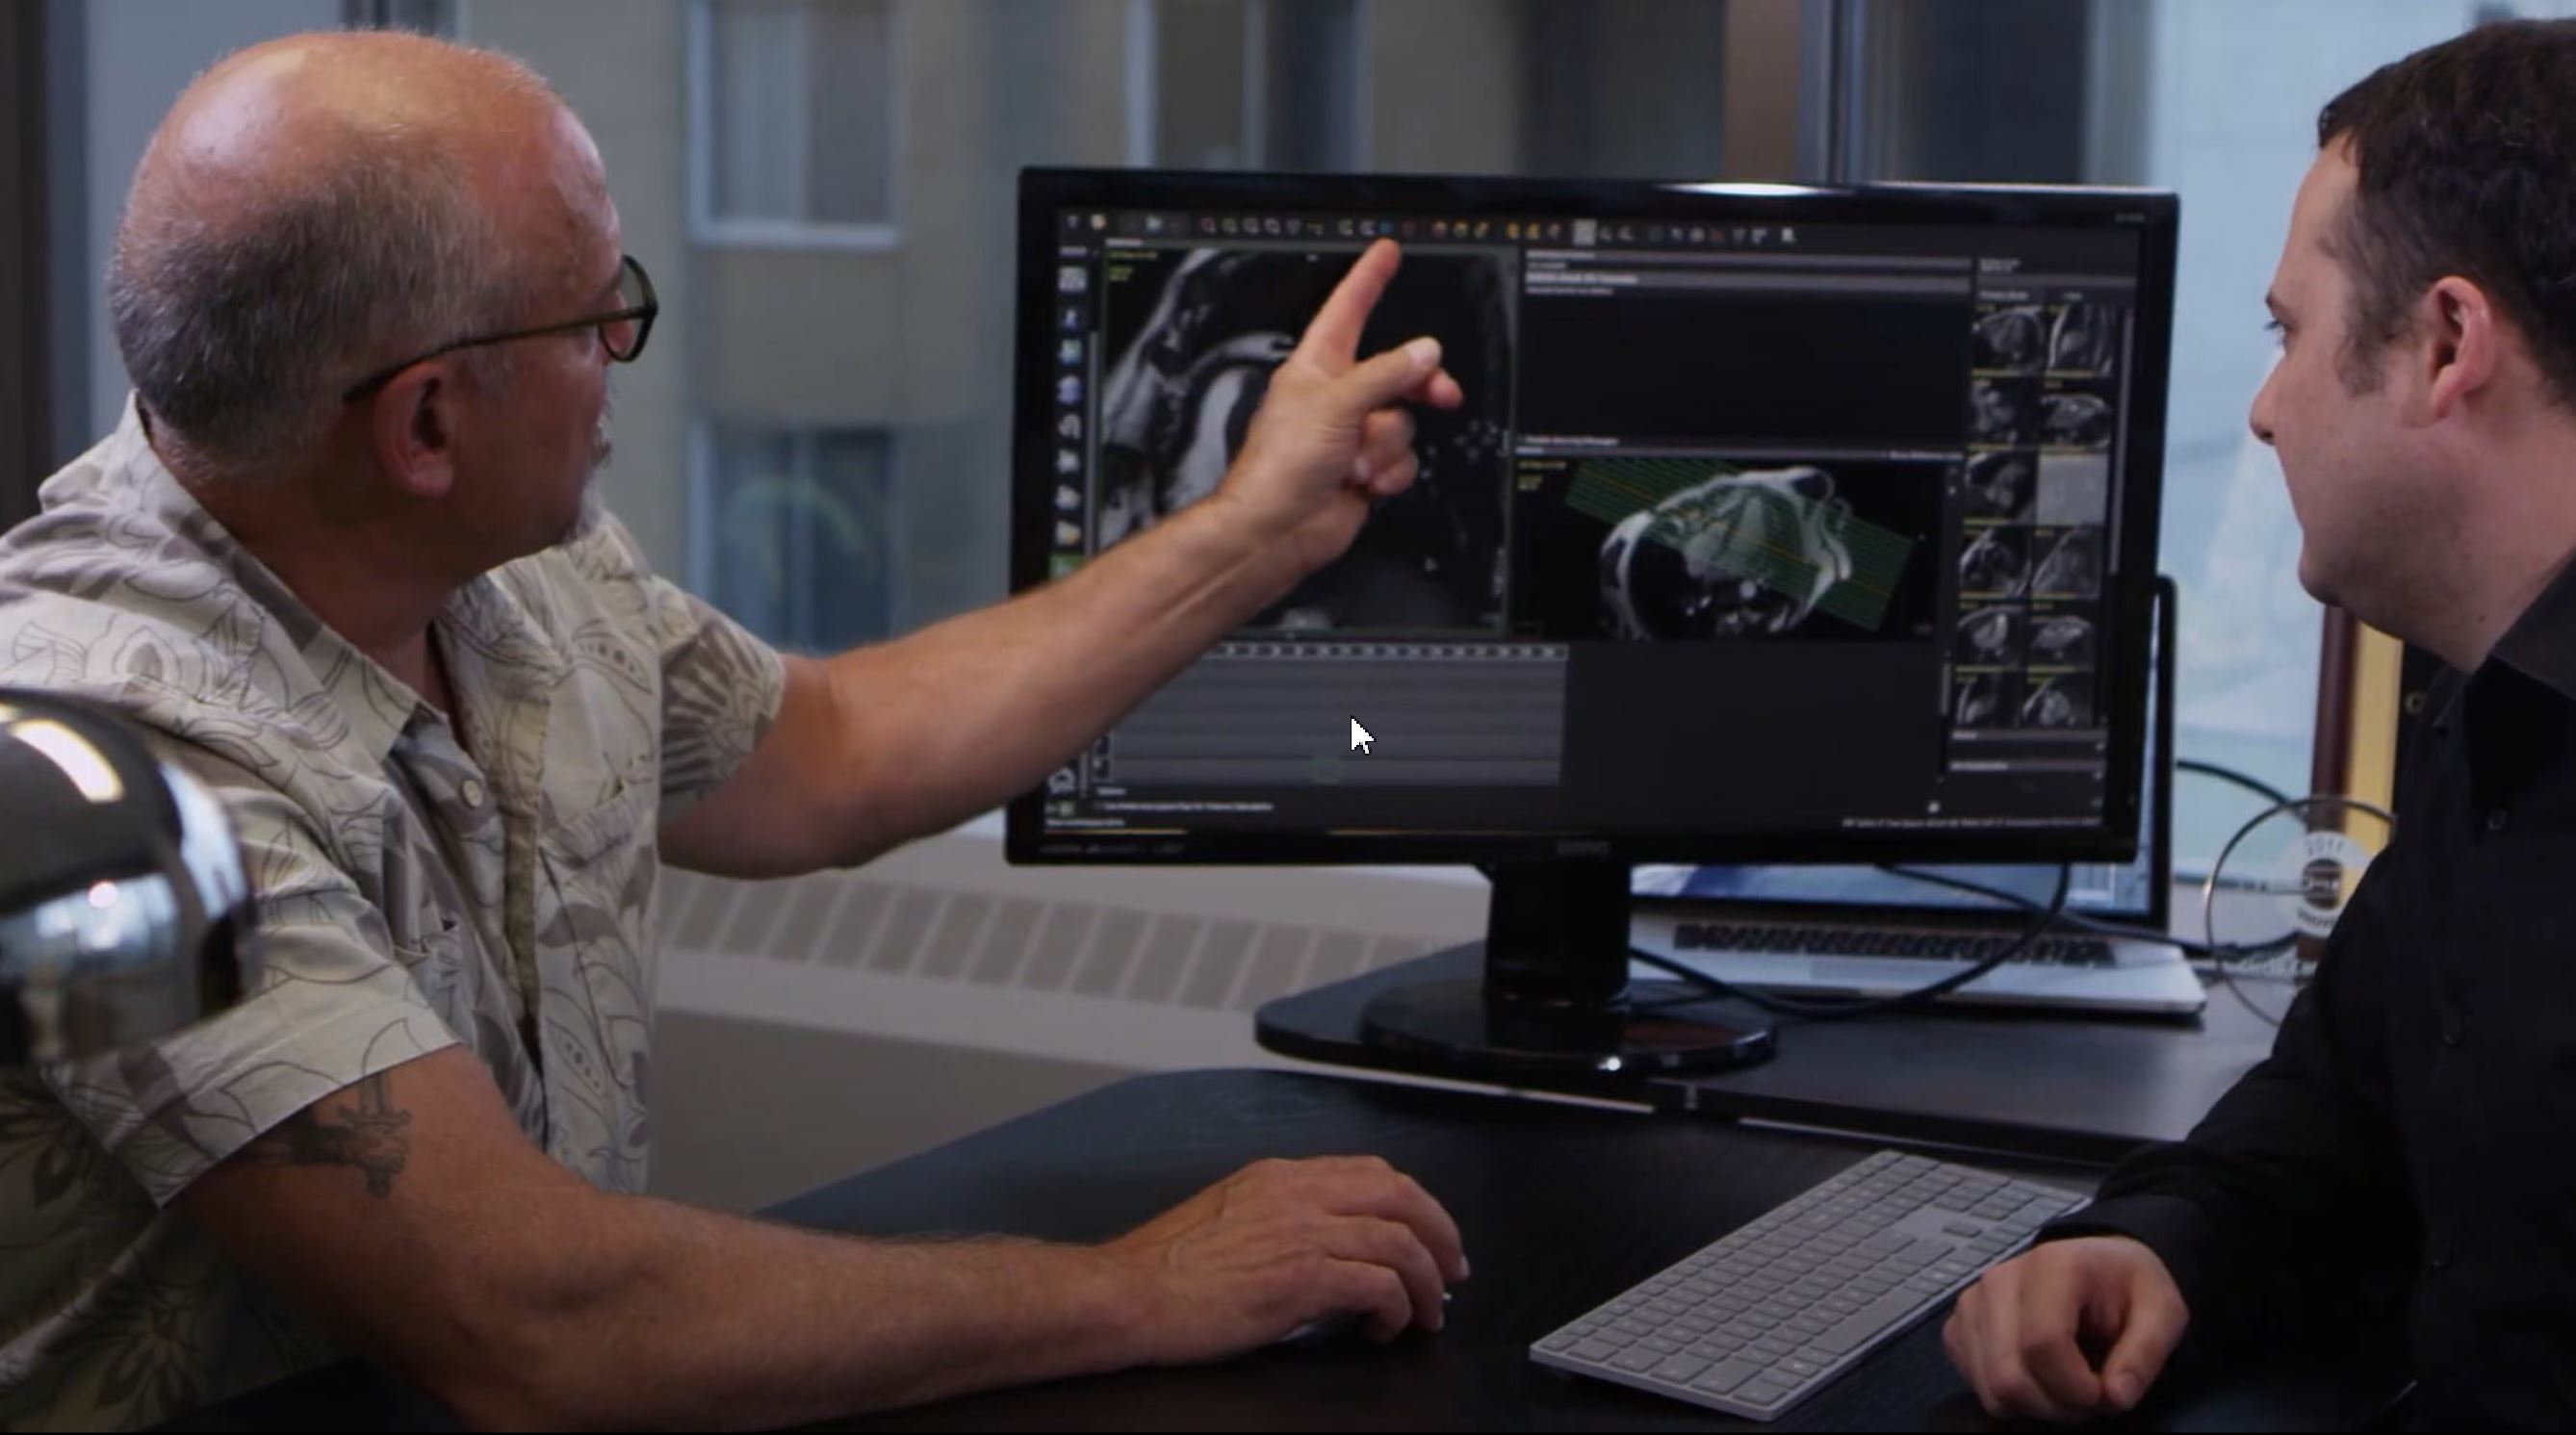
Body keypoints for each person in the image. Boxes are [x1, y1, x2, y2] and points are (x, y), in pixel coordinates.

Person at [0, 30, 1471, 1430]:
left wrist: (1259, 535)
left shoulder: (518, 576)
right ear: (426, 428)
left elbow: (835, 753)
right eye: (596, 317)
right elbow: (540, 1329)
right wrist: (1146, 1287)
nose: (624, 347)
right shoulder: (93, 779)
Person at [1944, 20, 2576, 1428]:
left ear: (2447, 344)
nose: (2266, 409)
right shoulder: (2494, 720)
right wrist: (2152, 1244)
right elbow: (2334, 1125)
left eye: (2291, 333)